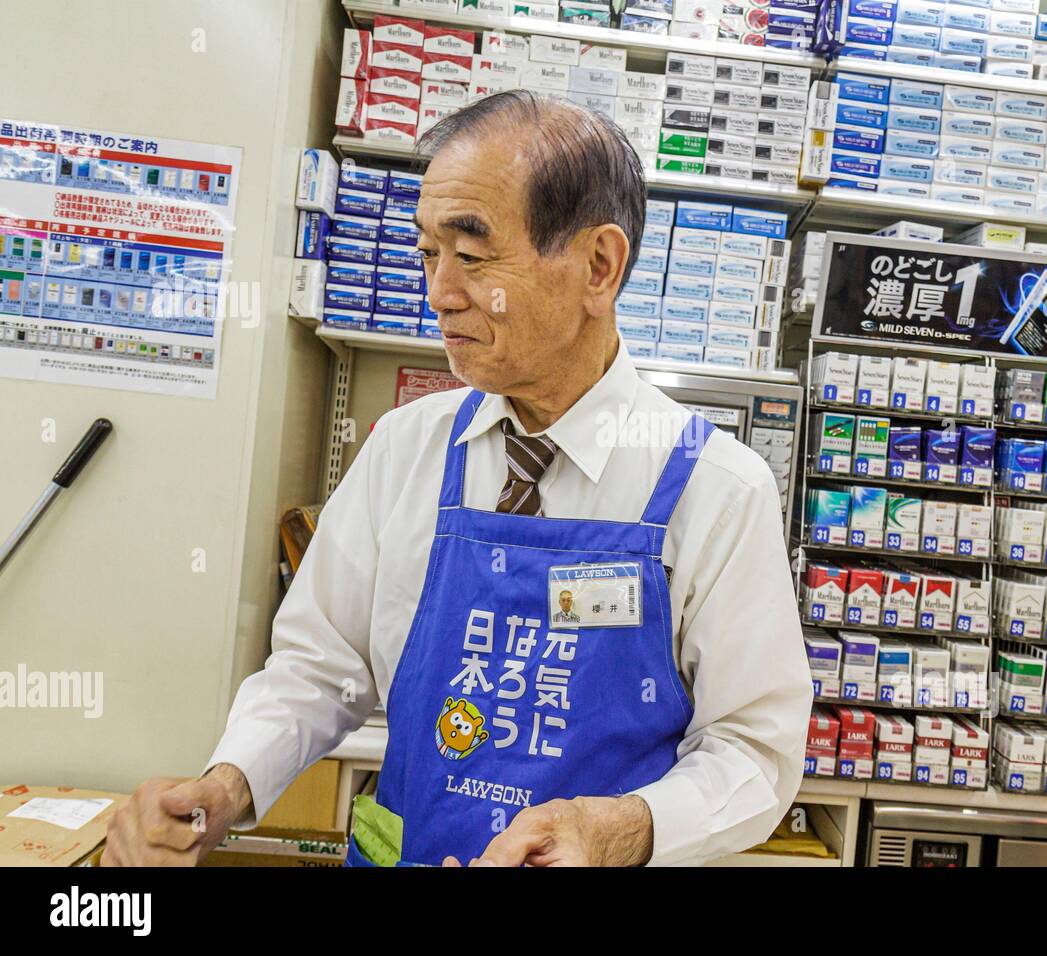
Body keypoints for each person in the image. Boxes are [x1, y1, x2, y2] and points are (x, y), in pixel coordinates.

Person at [104, 90, 811, 868]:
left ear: (599, 266)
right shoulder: (406, 449)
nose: (439, 291)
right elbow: (318, 667)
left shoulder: (717, 487)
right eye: (427, 253)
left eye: (472, 255)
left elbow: (752, 756)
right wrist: (226, 784)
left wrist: (617, 830)